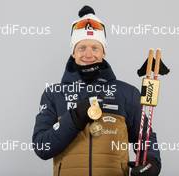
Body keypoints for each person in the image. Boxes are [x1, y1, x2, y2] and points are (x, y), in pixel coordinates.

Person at [32, 5, 161, 176]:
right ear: (73, 52)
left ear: (103, 52)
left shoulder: (127, 93)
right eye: (81, 47)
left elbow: (145, 139)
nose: (88, 54)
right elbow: (42, 147)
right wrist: (74, 118)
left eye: (95, 48)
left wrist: (151, 163)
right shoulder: (54, 94)